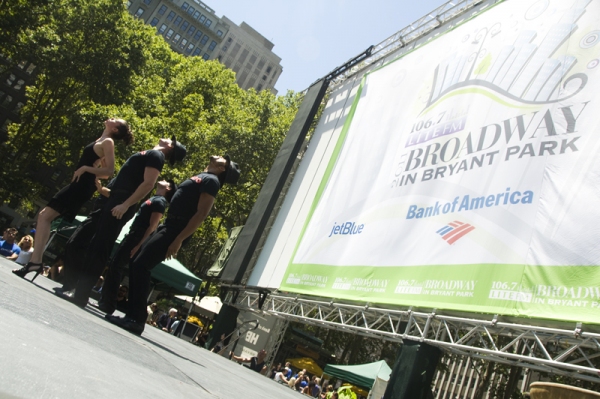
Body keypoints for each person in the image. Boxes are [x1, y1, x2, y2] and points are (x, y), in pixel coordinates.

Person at [106, 154, 240, 335]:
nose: (221, 155)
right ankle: (131, 316)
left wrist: (179, 239)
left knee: (141, 265)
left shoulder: (212, 182)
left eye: (225, 160)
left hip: (177, 229)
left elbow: (201, 214)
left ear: (222, 168)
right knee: (136, 262)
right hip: (168, 225)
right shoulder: (203, 176)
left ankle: (137, 320)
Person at [55, 136, 186, 308]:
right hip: (117, 198)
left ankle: (81, 294)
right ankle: (78, 290)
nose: (167, 137)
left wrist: (125, 205)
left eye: (170, 139)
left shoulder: (157, 156)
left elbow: (148, 184)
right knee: (95, 245)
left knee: (100, 247)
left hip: (122, 201)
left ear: (170, 147)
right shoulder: (151, 153)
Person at [12, 118, 133, 280]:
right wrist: (91, 170)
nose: (110, 118)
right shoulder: (101, 140)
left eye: (114, 120)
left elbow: (109, 171)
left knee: (44, 216)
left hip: (82, 186)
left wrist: (85, 168)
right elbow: (102, 172)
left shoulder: (108, 142)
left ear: (115, 129)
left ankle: (36, 262)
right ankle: (36, 262)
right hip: (79, 184)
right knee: (43, 216)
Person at [98, 179, 176, 315]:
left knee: (116, 266)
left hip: (137, 237)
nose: (162, 179)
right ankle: (105, 300)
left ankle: (109, 303)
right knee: (114, 265)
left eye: (166, 181)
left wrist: (139, 245)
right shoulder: (154, 198)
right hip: (132, 234)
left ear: (168, 188)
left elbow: (152, 227)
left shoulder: (160, 202)